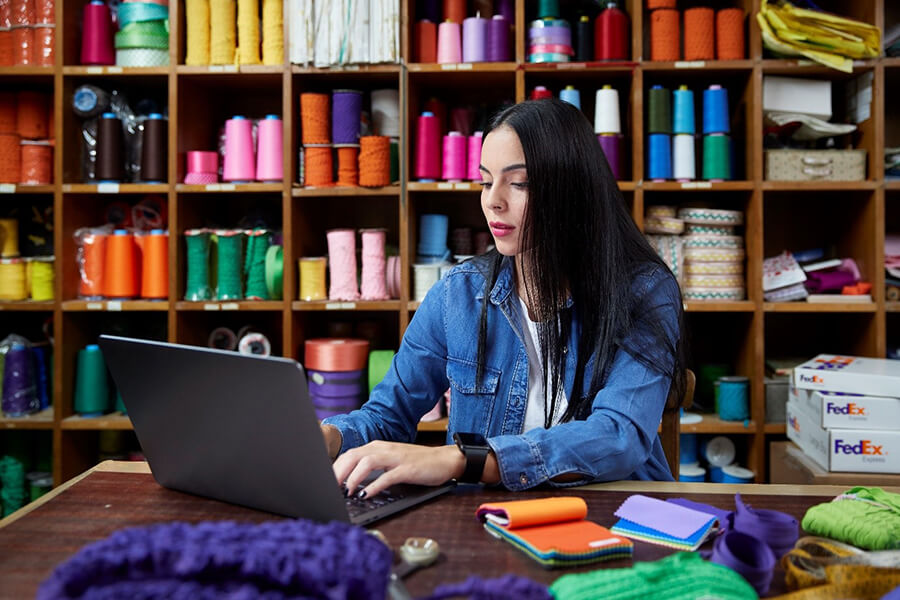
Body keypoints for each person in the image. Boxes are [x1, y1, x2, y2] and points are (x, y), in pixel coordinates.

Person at [321, 98, 687, 499]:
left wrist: (466, 459)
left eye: (519, 183)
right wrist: (327, 438)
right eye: (485, 180)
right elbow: (386, 417)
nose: (493, 200)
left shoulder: (645, 292)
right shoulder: (456, 296)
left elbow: (618, 437)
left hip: (617, 517)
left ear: (572, 189)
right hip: (494, 520)